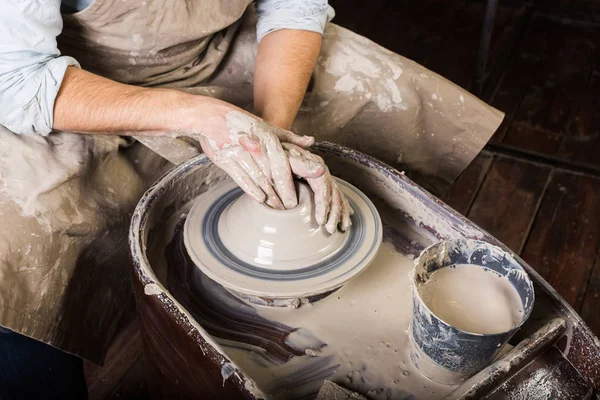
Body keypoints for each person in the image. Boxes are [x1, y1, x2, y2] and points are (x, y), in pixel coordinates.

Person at [0, 0, 503, 398]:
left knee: (385, 95)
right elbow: (16, 79)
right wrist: (197, 118)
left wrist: (270, 135)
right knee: (16, 255)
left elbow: (292, 6)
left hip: (210, 55)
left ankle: (402, 288)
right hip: (69, 89)